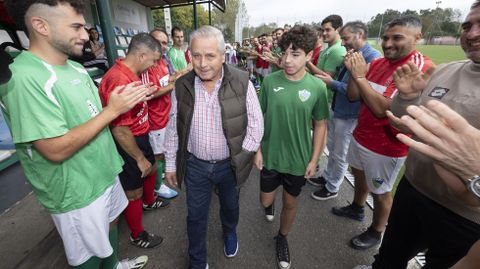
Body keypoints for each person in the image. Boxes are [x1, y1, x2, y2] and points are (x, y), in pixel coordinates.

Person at [1, 0, 152, 268]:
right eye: (76, 26)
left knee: (109, 228)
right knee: (87, 254)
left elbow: (93, 118)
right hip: (76, 191)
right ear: (40, 25)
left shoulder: (76, 68)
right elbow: (54, 149)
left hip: (103, 173)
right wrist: (113, 110)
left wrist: (117, 106)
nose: (85, 35)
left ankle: (114, 265)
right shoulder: (24, 77)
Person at [354, 3, 480, 268]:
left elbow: (379, 109)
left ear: (417, 38)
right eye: (467, 26)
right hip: (414, 188)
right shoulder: (446, 71)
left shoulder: (425, 64)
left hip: (466, 216)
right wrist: (409, 97)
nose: (472, 33)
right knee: (390, 255)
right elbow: (403, 121)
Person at [164, 25, 264, 269]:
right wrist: (169, 164)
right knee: (195, 217)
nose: (202, 63)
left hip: (229, 166)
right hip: (196, 167)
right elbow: (173, 126)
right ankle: (198, 261)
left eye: (210, 56)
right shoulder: (182, 85)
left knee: (230, 208)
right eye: (196, 55)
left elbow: (256, 125)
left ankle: (230, 232)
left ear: (222, 55)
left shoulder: (242, 82)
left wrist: (242, 156)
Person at [333, 15, 433, 251]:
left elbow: (380, 109)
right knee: (359, 176)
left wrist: (358, 76)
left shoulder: (417, 66)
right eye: (386, 38)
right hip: (362, 135)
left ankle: (376, 230)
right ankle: (357, 207)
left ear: (417, 37)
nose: (388, 44)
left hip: (386, 147)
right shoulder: (378, 64)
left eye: (397, 38)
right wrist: (352, 72)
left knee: (381, 191)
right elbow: (353, 96)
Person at [255, 25, 329, 269]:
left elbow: (320, 125)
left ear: (309, 55)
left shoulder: (317, 87)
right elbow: (258, 117)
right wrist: (257, 149)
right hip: (270, 155)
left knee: (291, 203)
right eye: (284, 52)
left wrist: (313, 158)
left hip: (297, 160)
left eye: (295, 54)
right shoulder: (269, 82)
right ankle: (270, 201)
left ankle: (282, 237)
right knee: (265, 201)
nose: (287, 60)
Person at [99, 33, 169, 250]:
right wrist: (138, 157)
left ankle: (149, 202)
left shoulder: (131, 72)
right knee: (134, 190)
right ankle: (137, 235)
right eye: (153, 60)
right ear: (141, 55)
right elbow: (119, 129)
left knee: (151, 170)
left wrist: (143, 95)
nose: (155, 65)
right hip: (129, 141)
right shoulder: (119, 78)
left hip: (141, 133)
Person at [310, 21, 381, 200]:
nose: (343, 43)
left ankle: (333, 187)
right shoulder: (354, 53)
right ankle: (328, 177)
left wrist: (331, 83)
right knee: (333, 148)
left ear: (359, 34)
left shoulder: (372, 57)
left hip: (350, 114)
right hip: (339, 108)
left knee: (340, 152)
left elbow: (358, 92)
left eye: (346, 38)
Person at [141, 28, 178, 199]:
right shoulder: (147, 65)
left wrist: (175, 78)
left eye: (165, 43)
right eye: (159, 42)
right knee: (157, 155)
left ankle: (158, 178)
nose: (163, 46)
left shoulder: (163, 61)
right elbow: (150, 94)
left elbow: (166, 81)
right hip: (155, 120)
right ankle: (157, 187)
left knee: (162, 153)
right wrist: (172, 85)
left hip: (166, 114)